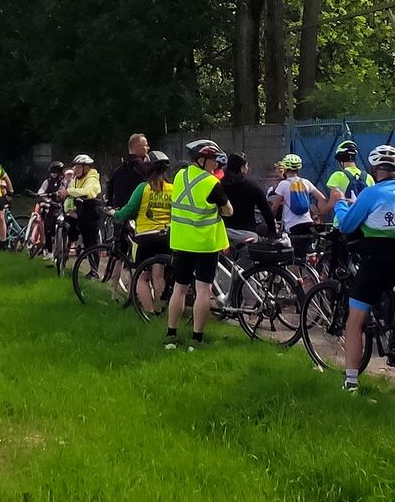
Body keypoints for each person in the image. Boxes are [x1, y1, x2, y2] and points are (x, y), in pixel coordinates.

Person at [332, 145, 395, 391]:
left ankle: (351, 381)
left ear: (374, 169)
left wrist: (340, 204)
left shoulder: (371, 193)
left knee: (354, 322)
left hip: (375, 263)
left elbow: (347, 225)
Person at [163, 141, 233, 349]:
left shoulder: (179, 176)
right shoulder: (211, 182)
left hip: (182, 242)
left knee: (179, 288)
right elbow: (229, 210)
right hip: (204, 244)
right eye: (213, 160)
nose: (216, 164)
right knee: (203, 290)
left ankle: (171, 334)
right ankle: (197, 339)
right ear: (202, 160)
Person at [111, 152, 174, 310]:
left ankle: (148, 312)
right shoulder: (172, 188)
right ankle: (159, 310)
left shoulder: (143, 187)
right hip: (165, 236)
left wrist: (115, 214)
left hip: (144, 238)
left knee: (141, 276)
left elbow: (129, 210)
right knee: (159, 276)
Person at [210, 153, 276, 245]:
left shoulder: (219, 186)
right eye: (246, 166)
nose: (247, 168)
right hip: (247, 234)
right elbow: (266, 212)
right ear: (242, 168)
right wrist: (272, 232)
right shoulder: (253, 187)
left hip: (223, 232)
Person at [270, 154, 328, 251]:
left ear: (285, 168)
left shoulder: (283, 184)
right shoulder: (306, 182)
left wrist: (271, 222)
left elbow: (275, 207)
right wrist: (320, 215)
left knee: (293, 254)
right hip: (309, 224)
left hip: (292, 227)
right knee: (307, 251)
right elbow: (322, 198)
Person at [62, 154, 105, 263]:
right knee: (67, 223)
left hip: (93, 210)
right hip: (80, 209)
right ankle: (66, 248)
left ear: (86, 168)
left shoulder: (92, 179)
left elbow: (88, 192)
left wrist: (69, 192)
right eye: (75, 167)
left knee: (90, 241)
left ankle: (94, 269)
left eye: (78, 167)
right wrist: (68, 209)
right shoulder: (75, 180)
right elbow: (69, 195)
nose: (76, 170)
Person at [106, 133, 152, 209]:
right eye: (146, 145)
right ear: (138, 147)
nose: (148, 148)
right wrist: (148, 164)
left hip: (120, 212)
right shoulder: (143, 169)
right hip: (139, 212)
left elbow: (109, 192)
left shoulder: (117, 170)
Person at [323, 140, 364, 206]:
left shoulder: (337, 176)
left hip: (345, 212)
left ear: (340, 159)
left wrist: (317, 210)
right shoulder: (368, 177)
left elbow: (331, 204)